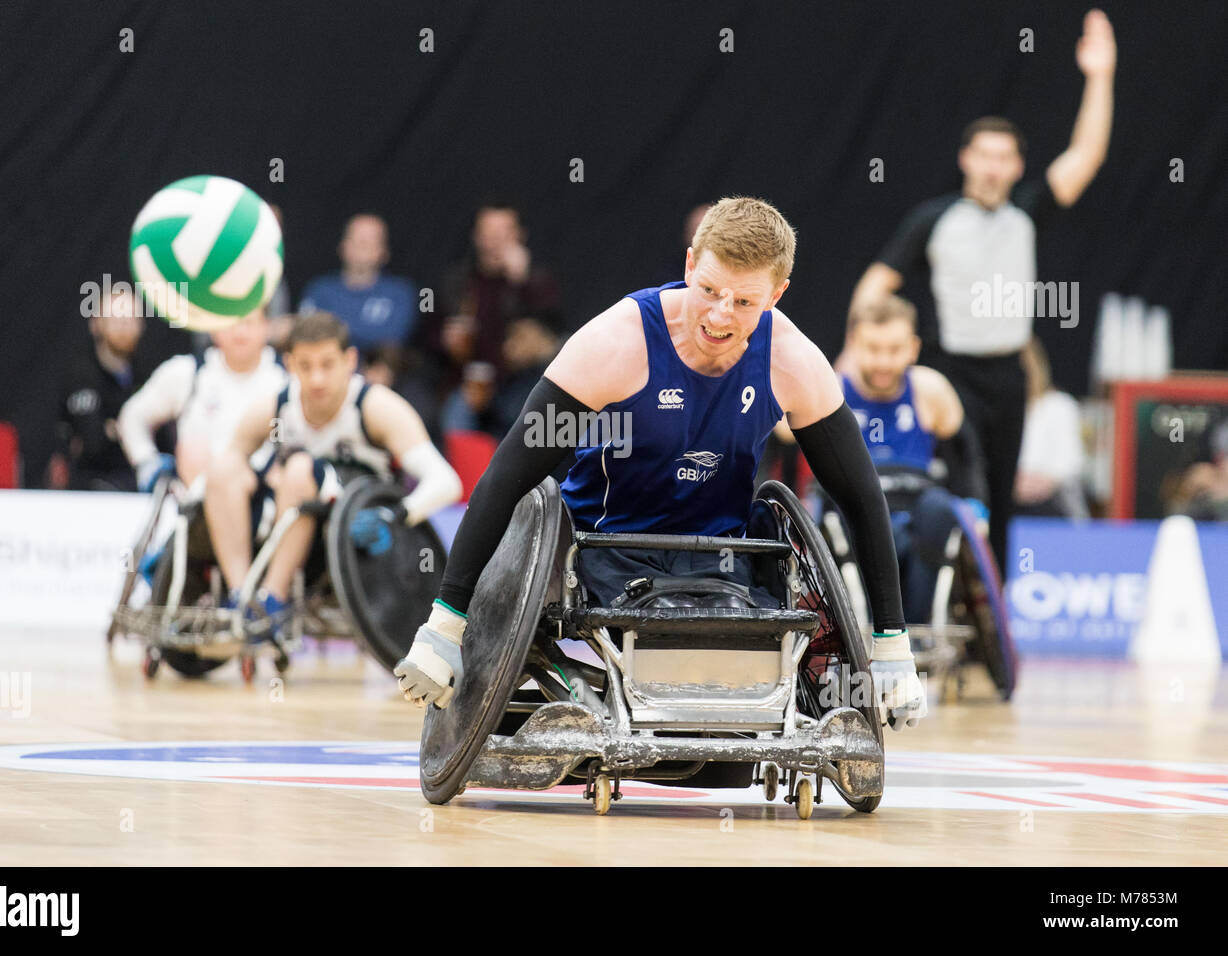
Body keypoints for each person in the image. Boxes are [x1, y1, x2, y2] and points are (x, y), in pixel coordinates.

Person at [397, 196, 927, 730]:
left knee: (727, 744)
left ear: (777, 295)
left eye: (745, 302)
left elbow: (860, 497)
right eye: (710, 291)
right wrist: (444, 627)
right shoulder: (616, 341)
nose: (721, 315)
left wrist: (892, 644)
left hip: (719, 561)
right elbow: (507, 478)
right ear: (691, 264)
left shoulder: (791, 359)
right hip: (598, 550)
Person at [845, 9, 1116, 572]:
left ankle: (994, 616)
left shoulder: (1025, 213)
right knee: (964, 490)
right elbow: (879, 280)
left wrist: (1100, 75)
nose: (993, 168)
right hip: (951, 371)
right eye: (983, 155)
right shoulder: (935, 219)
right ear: (967, 159)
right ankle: (943, 595)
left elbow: (1086, 159)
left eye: (1004, 157)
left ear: (1016, 165)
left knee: (1004, 495)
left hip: (1009, 374)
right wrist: (854, 350)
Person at [204, 313, 461, 628]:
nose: (316, 379)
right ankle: (241, 596)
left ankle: (273, 598)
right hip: (288, 529)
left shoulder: (375, 406)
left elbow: (446, 482)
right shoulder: (274, 407)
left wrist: (395, 515)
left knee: (299, 469)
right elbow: (227, 471)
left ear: (349, 360)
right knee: (222, 468)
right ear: (289, 364)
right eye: (305, 366)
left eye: (327, 364)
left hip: (357, 536)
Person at [839, 295, 987, 622]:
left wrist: (977, 507)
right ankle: (861, 622)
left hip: (916, 498)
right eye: (873, 348)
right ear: (853, 345)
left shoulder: (930, 389)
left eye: (894, 350)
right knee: (841, 512)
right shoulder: (830, 391)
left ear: (913, 348)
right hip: (856, 498)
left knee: (941, 509)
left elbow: (965, 458)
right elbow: (783, 448)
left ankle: (920, 627)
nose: (883, 362)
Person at [117, 308, 287, 491]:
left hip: (266, 490)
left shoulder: (287, 378)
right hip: (196, 494)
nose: (240, 332)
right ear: (213, 327)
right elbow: (133, 415)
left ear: (266, 326)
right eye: (231, 323)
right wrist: (146, 461)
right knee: (193, 451)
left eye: (248, 323)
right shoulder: (188, 371)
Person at [438, 202, 562, 373]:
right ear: (476, 236)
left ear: (520, 235)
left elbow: (555, 326)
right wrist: (448, 344)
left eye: (503, 233)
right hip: (470, 377)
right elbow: (431, 335)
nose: (495, 241)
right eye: (488, 233)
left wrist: (523, 281)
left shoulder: (537, 280)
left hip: (523, 378)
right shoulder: (458, 280)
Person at [55, 287, 145, 491]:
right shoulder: (81, 376)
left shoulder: (148, 376)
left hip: (141, 485)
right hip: (92, 490)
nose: (124, 328)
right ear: (96, 324)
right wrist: (132, 428)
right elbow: (92, 443)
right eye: (116, 320)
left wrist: (116, 429)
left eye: (131, 320)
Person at [299, 214, 419, 352]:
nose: (361, 245)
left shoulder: (401, 293)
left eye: (369, 240)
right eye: (355, 238)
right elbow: (305, 335)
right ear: (342, 246)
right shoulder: (319, 289)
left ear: (384, 251)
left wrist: (331, 329)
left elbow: (393, 340)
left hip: (373, 370)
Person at [1014, 337, 1088, 519]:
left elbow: (1071, 462)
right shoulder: (995, 412)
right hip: (1007, 496)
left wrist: (1040, 482)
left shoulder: (1059, 406)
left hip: (1052, 501)